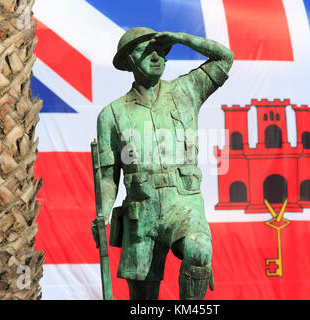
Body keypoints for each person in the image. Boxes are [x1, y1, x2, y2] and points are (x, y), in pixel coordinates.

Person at [92, 27, 234, 300]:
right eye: (147, 51)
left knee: (199, 249)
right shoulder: (111, 114)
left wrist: (180, 38)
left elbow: (225, 58)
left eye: (162, 51)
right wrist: (102, 214)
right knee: (143, 299)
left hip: (183, 202)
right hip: (140, 211)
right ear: (129, 60)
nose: (156, 56)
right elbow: (108, 175)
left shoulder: (187, 90)